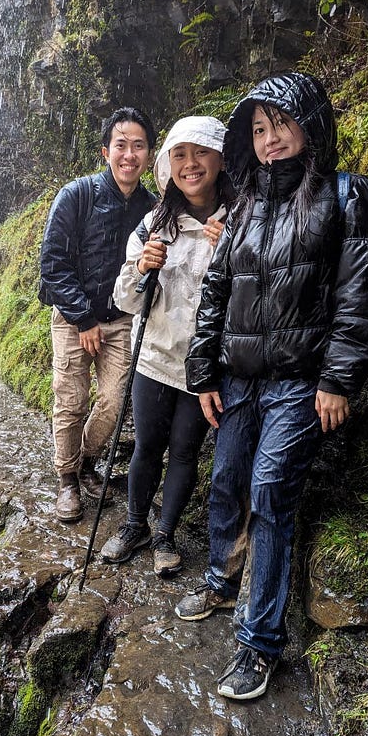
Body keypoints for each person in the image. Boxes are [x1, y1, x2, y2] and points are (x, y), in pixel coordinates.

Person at [175, 72, 368, 700]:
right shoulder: (244, 204)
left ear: (311, 126)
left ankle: (259, 641)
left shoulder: (349, 197)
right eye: (260, 130)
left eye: (282, 126)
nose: (270, 141)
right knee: (227, 477)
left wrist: (338, 380)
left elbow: (358, 301)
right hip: (240, 377)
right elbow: (217, 290)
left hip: (301, 382)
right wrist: (203, 371)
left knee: (270, 489)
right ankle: (220, 578)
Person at [101, 115, 235, 576]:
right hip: (154, 357)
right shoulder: (154, 223)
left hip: (204, 368)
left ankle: (165, 535)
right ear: (168, 165)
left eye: (200, 153)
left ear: (221, 158)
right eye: (180, 154)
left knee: (183, 451)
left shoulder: (242, 222)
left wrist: (235, 251)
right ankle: (134, 524)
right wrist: (142, 268)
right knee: (147, 445)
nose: (190, 164)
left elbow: (259, 297)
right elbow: (125, 299)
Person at [39, 107, 157, 522]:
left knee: (113, 400)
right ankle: (67, 479)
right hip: (74, 318)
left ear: (148, 154)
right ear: (105, 151)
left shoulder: (152, 207)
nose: (129, 155)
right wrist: (83, 319)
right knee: (71, 401)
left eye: (138, 146)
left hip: (122, 318)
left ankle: (85, 459)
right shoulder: (77, 195)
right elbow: (53, 263)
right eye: (121, 145)